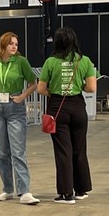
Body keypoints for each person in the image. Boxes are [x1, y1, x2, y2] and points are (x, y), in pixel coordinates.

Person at [37, 27, 96, 204]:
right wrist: (78, 87)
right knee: (79, 149)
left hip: (58, 107)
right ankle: (81, 189)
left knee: (63, 151)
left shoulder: (50, 62)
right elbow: (91, 88)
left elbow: (41, 89)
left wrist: (55, 92)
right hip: (78, 107)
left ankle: (66, 193)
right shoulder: (84, 61)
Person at [0, 30, 40, 205]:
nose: (14, 46)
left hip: (15, 106)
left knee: (18, 151)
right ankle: (7, 189)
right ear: (3, 45)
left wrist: (22, 97)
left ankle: (25, 191)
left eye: (16, 44)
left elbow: (33, 84)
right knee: (1, 152)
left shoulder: (21, 62)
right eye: (11, 43)